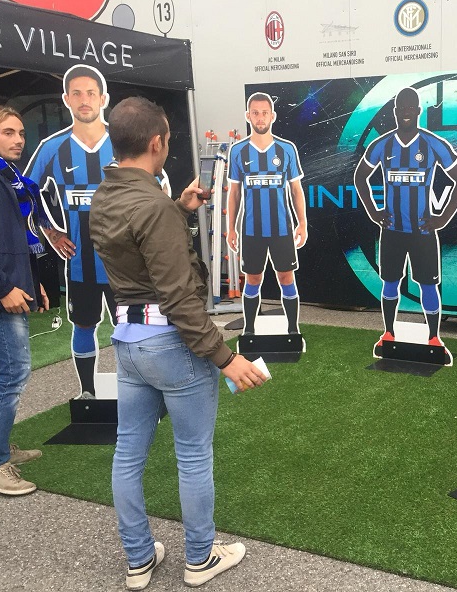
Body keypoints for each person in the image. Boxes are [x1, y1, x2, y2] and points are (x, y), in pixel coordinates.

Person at [91, 96, 267, 589]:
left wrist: (178, 210)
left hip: (127, 342)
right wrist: (225, 358)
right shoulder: (152, 205)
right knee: (192, 455)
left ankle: (138, 559)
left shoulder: (106, 196)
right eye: (167, 139)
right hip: (171, 344)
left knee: (128, 453)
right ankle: (199, 558)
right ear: (157, 143)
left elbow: (139, 248)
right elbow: (178, 300)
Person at [353, 86, 457, 352]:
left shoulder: (432, 143)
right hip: (392, 231)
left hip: (423, 231)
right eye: (401, 108)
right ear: (395, 112)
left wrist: (443, 217)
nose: (405, 112)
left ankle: (434, 338)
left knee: (428, 285)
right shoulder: (382, 145)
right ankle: (388, 333)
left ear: (418, 111)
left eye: (410, 107)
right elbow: (360, 176)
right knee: (390, 283)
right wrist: (373, 211)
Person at [25, 64, 117, 400]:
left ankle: (136, 390)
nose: (84, 99)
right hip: (81, 263)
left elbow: (157, 187)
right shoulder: (53, 147)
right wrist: (50, 231)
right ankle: (88, 393)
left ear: (103, 98)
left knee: (131, 327)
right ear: (66, 99)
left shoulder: (123, 141)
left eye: (91, 93)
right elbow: (26, 192)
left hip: (125, 263)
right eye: (76, 93)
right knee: (84, 324)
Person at [0, 105, 48, 496]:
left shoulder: (6, 177)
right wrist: (1, 287)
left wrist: (32, 283)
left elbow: (13, 238)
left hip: (9, 287)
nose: (18, 140)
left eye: (21, 132)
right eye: (8, 132)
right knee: (11, 374)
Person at [226, 93, 308, 337]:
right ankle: (249, 332)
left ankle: (293, 331)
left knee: (286, 277)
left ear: (272, 116)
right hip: (251, 230)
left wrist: (302, 223)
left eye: (264, 113)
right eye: (255, 113)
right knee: (253, 279)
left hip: (282, 228)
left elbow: (296, 189)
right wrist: (231, 228)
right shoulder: (238, 151)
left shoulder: (286, 149)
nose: (260, 118)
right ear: (248, 116)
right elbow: (234, 193)